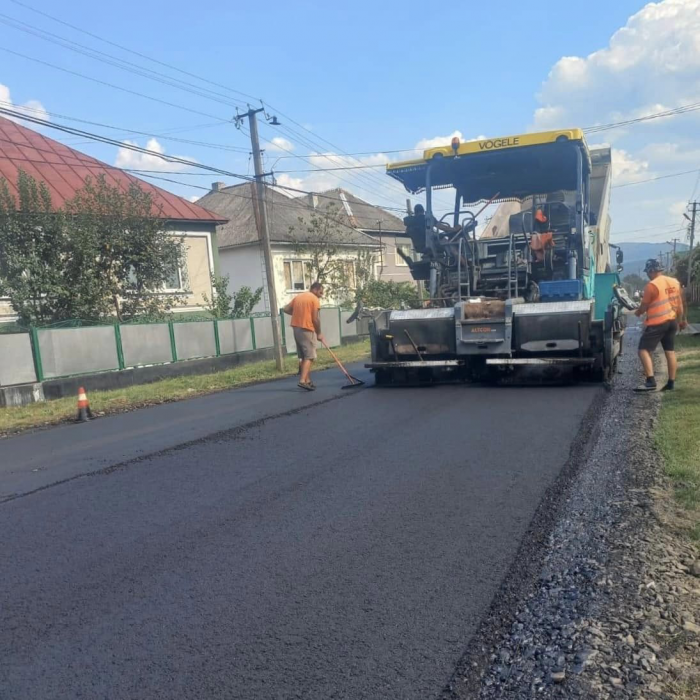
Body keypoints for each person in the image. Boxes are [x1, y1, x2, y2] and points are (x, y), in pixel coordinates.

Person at [634, 259, 686, 392]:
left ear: (652, 270)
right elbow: (679, 304)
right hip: (672, 321)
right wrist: (681, 320)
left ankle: (650, 381)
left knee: (643, 350)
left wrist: (638, 312)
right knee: (669, 351)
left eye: (648, 272)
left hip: (657, 323)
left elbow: (644, 307)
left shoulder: (651, 285)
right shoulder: (674, 282)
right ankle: (671, 383)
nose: (647, 274)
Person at [283, 282, 325, 391]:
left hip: (296, 328)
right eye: (320, 292)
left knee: (304, 356)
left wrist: (299, 314)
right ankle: (302, 381)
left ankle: (308, 381)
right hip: (307, 329)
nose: (321, 294)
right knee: (310, 356)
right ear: (315, 289)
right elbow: (315, 319)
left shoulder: (299, 297)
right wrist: (319, 333)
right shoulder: (314, 299)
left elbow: (286, 309)